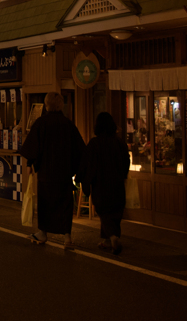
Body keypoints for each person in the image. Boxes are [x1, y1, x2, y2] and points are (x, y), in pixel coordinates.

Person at [19, 91, 86, 249]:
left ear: (46, 104)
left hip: (46, 173)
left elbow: (33, 146)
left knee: (45, 203)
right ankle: (67, 237)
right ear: (60, 104)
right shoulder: (68, 124)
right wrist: (76, 171)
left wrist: (30, 164)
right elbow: (80, 150)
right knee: (65, 205)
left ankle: (43, 233)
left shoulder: (41, 123)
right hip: (64, 173)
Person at [79, 112, 130, 255]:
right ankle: (108, 240)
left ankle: (113, 238)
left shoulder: (95, 144)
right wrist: (123, 175)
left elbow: (87, 165)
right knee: (116, 213)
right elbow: (126, 161)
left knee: (105, 213)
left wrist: (85, 181)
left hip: (101, 184)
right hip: (118, 184)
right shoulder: (119, 142)